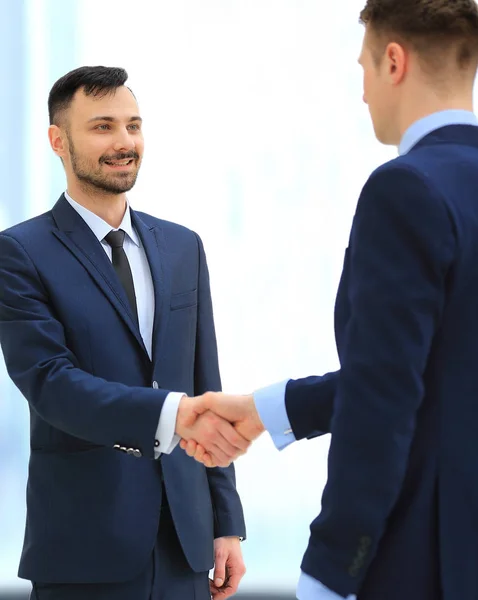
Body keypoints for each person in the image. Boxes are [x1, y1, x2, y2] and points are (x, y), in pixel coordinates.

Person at [181, 0, 478, 598]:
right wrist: (270, 410)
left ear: (394, 62)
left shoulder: (405, 189)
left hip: (427, 564)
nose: (364, 92)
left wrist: (332, 569)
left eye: (364, 67)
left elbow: (386, 399)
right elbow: (443, 375)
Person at [0, 66, 249, 600]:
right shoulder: (20, 253)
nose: (124, 142)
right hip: (84, 544)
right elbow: (50, 384)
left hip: (185, 539)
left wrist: (226, 520)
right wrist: (169, 415)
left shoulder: (184, 247)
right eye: (103, 127)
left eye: (133, 126)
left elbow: (206, 382)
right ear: (57, 141)